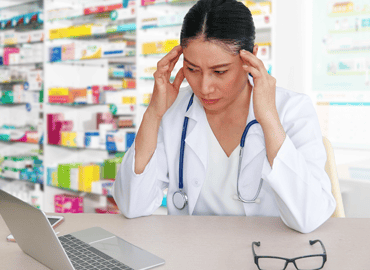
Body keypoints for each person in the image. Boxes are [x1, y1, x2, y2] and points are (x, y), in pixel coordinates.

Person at [112, 0, 336, 233]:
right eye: (192, 69)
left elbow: (310, 216)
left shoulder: (292, 109)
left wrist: (269, 119)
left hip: (270, 257)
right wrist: (153, 114)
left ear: (251, 59)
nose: (205, 87)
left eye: (219, 72)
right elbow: (131, 205)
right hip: (191, 254)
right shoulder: (173, 108)